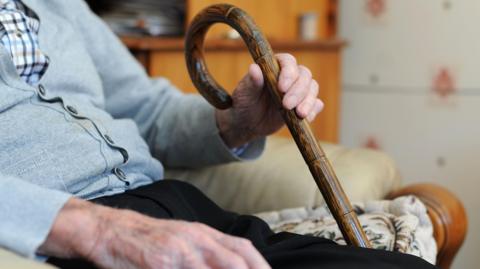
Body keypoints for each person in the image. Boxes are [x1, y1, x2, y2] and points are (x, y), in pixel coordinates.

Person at [0, 1, 437, 268]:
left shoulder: (58, 5)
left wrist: (239, 121)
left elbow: (149, 112)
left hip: (177, 210)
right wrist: (93, 229)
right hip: (57, 241)